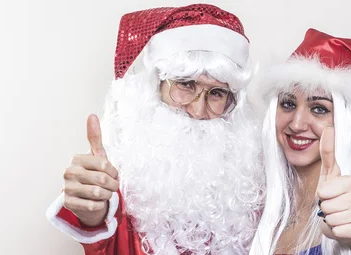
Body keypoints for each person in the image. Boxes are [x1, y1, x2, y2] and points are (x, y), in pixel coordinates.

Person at [45, 4, 265, 255]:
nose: (197, 110)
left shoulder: (249, 183)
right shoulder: (121, 168)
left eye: (216, 93)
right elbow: (102, 235)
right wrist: (91, 212)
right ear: (155, 87)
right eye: (185, 84)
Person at [249, 28, 351, 255]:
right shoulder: (261, 209)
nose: (296, 124)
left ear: (349, 123)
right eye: (288, 104)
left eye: (319, 109)